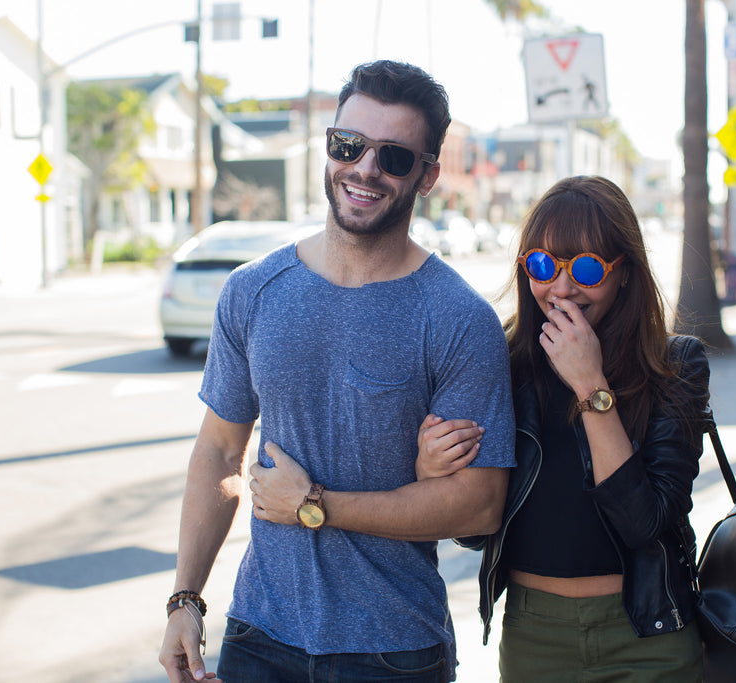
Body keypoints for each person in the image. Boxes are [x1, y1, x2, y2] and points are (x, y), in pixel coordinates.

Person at [158, 60, 516, 683]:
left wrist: (315, 505)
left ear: (428, 174)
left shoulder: (458, 319)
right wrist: (185, 599)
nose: (365, 169)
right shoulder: (254, 291)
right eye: (348, 146)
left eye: (394, 157)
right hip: (259, 635)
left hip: (394, 651)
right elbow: (219, 453)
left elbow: (478, 505)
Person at [418, 175, 710, 682]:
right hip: (536, 634)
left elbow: (643, 523)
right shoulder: (504, 363)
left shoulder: (675, 365)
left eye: (588, 267)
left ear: (624, 272)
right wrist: (433, 471)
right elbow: (473, 530)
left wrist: (591, 387)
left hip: (650, 635)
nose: (562, 287)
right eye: (542, 264)